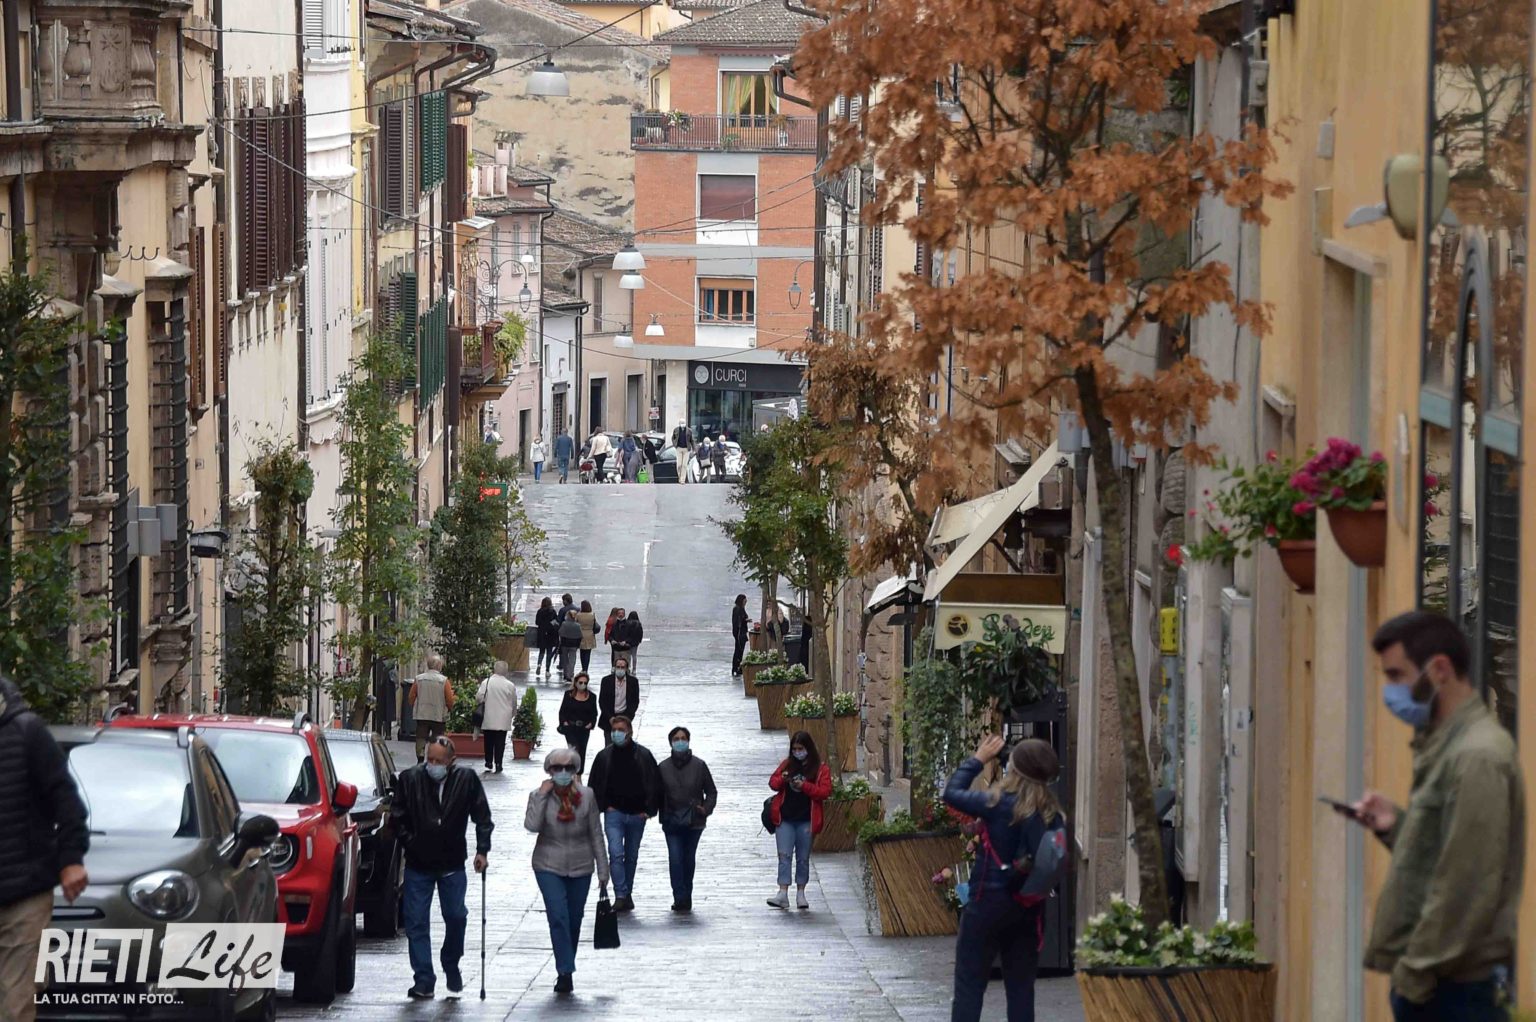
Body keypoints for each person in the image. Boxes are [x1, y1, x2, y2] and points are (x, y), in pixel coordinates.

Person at [1348, 611, 1524, 1021]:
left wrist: (1414, 974)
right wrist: (1398, 826)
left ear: (1439, 669)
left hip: (1456, 989)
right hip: (1442, 984)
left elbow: (1467, 882)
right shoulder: (1449, 745)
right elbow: (1448, 854)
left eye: (1397, 675)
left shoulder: (1477, 755)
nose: (1390, 691)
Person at [941, 735, 1065, 1022]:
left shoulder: (996, 803)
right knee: (1021, 992)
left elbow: (952, 793)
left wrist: (978, 759)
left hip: (985, 908)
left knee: (970, 988)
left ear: (1014, 769)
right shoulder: (1052, 813)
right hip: (1027, 910)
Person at [0, 675, 90, 1022]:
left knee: (13, 1006)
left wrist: (71, 860)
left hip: (23, 896)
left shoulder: (27, 732)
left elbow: (66, 802)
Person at [392, 736, 493, 1001]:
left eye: (439, 761)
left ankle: (451, 961)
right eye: (430, 760)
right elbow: (397, 817)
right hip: (418, 863)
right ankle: (424, 979)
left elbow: (482, 817)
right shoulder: (410, 779)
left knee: (456, 916)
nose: (433, 765)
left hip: (452, 862)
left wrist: (482, 850)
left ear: (451, 762)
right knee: (416, 922)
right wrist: (412, 843)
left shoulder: (466, 779)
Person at [525, 748, 609, 995]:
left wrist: (603, 870)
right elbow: (532, 825)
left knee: (574, 919)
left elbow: (596, 832)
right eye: (557, 768)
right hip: (547, 864)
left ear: (575, 770)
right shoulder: (538, 795)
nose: (563, 772)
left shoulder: (587, 795)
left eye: (568, 768)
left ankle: (566, 965)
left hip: (581, 865)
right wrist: (542, 796)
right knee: (558, 916)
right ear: (549, 771)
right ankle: (565, 970)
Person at [588, 715, 661, 913]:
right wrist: (603, 806)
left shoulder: (644, 755)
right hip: (614, 813)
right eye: (614, 730)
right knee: (615, 853)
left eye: (620, 730)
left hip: (637, 815)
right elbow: (594, 784)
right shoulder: (604, 757)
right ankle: (620, 894)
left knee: (631, 855)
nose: (616, 733)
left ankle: (626, 893)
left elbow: (655, 783)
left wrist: (649, 810)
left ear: (629, 731)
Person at [766, 730, 832, 910]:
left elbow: (824, 792)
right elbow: (773, 783)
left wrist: (805, 786)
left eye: (800, 748)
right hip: (785, 818)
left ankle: (801, 892)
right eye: (794, 749)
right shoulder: (787, 764)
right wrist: (783, 779)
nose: (797, 752)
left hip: (806, 820)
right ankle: (783, 892)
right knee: (784, 855)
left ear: (808, 748)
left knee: (803, 858)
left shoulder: (821, 769)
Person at [657, 726, 716, 912]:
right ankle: (680, 897)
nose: (680, 742)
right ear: (670, 742)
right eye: (676, 739)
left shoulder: (699, 765)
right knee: (675, 858)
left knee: (688, 858)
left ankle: (686, 894)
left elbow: (711, 791)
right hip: (671, 821)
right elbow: (654, 792)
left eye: (683, 738)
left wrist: (705, 809)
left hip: (694, 821)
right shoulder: (662, 767)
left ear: (689, 741)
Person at [409, 654, 454, 763]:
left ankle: (420, 757)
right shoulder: (444, 681)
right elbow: (449, 699)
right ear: (439, 666)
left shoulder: (419, 679)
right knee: (437, 737)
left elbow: (411, 696)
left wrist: (414, 706)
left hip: (422, 714)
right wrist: (449, 708)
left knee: (421, 737)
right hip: (438, 715)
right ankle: (435, 756)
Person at [475, 663, 517, 774]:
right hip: (503, 717)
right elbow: (513, 702)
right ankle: (498, 763)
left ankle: (488, 761)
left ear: (494, 669)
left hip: (488, 715)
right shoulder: (510, 685)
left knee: (488, 739)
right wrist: (512, 714)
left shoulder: (486, 682)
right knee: (500, 741)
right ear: (506, 671)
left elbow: (479, 697)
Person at [558, 673, 598, 769]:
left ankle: (579, 773)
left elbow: (594, 713)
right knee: (574, 749)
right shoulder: (568, 695)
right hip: (570, 727)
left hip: (584, 728)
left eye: (585, 683)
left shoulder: (592, 696)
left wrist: (591, 724)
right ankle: (573, 771)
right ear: (576, 682)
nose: (583, 685)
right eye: (580, 682)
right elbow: (562, 711)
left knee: (582, 750)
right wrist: (565, 723)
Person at [598, 656, 640, 747]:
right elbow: (602, 701)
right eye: (618, 667)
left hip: (625, 717)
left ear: (626, 668)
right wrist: (610, 717)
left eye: (622, 667)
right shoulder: (606, 681)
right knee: (609, 746)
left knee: (624, 746)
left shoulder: (633, 682)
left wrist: (627, 718)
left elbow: (635, 702)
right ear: (614, 668)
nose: (620, 669)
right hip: (609, 719)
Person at [535, 596, 559, 677]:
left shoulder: (540, 611)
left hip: (542, 633)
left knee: (541, 651)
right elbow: (556, 622)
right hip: (550, 634)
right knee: (549, 652)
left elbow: (537, 622)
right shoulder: (552, 611)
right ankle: (547, 670)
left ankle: (539, 665)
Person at [558, 612, 584, 684]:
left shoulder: (564, 624)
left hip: (565, 643)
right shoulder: (578, 625)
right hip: (574, 644)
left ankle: (565, 674)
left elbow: (560, 632)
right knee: (572, 660)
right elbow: (581, 635)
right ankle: (570, 674)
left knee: (565, 659)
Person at [575, 600, 599, 673]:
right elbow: (595, 624)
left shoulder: (578, 615)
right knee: (588, 653)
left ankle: (583, 668)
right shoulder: (592, 615)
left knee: (582, 652)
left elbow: (575, 623)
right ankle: (586, 669)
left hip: (581, 634)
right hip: (590, 634)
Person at [731, 594, 750, 676]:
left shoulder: (741, 609)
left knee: (740, 650)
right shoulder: (737, 609)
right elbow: (738, 621)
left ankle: (738, 667)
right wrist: (745, 621)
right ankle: (736, 667)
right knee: (738, 650)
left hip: (742, 632)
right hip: (739, 633)